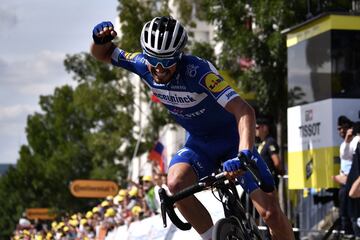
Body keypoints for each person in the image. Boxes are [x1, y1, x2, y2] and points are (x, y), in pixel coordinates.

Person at [90, 16, 294, 240]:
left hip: (232, 142)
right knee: (175, 183)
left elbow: (244, 110)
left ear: (179, 55)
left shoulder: (198, 71)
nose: (159, 68)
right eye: (153, 60)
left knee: (270, 213)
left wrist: (244, 153)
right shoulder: (141, 65)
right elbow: (103, 54)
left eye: (167, 61)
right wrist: (99, 42)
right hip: (200, 144)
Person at [332, 116, 354, 234]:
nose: (341, 131)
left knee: (352, 216)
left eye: (343, 128)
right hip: (344, 185)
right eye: (339, 129)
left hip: (352, 183)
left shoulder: (354, 142)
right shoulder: (343, 144)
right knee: (344, 215)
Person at [255, 115, 284, 188]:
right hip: (262, 179)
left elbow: (277, 162)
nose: (255, 130)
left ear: (265, 128)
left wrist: (279, 171)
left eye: (257, 127)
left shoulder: (270, 142)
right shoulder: (263, 143)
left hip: (269, 179)